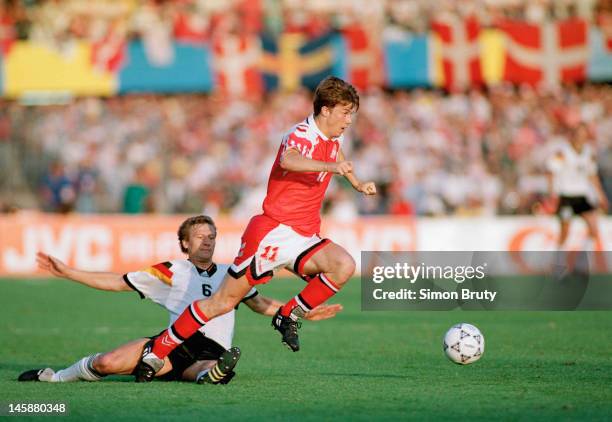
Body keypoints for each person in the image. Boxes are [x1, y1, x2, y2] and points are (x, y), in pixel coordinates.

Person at [135, 76, 376, 382]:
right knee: (222, 302)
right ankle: (157, 351)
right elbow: (289, 160)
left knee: (344, 265)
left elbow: (337, 155)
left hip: (303, 234)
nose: (348, 120)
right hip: (271, 232)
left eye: (351, 113)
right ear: (325, 110)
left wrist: (356, 183)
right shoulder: (300, 134)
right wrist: (330, 168)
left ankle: (288, 314)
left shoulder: (334, 137)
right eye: (344, 112)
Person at [18, 215, 341, 384]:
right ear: (184, 243)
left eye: (212, 236)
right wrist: (69, 272)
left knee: (211, 369)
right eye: (200, 237)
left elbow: (259, 304)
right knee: (107, 363)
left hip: (211, 349)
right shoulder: (171, 271)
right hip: (171, 346)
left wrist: (301, 312)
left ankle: (215, 374)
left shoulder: (233, 272)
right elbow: (118, 282)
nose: (207, 241)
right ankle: (55, 377)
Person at [547, 123, 609, 251]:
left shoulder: (588, 152)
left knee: (593, 228)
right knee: (565, 231)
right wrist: (552, 193)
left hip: (581, 195)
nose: (581, 137)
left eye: (583, 134)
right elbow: (551, 171)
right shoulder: (563, 152)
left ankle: (582, 264)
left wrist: (601, 195)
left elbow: (592, 175)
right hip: (566, 195)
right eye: (578, 134)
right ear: (573, 135)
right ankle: (558, 265)